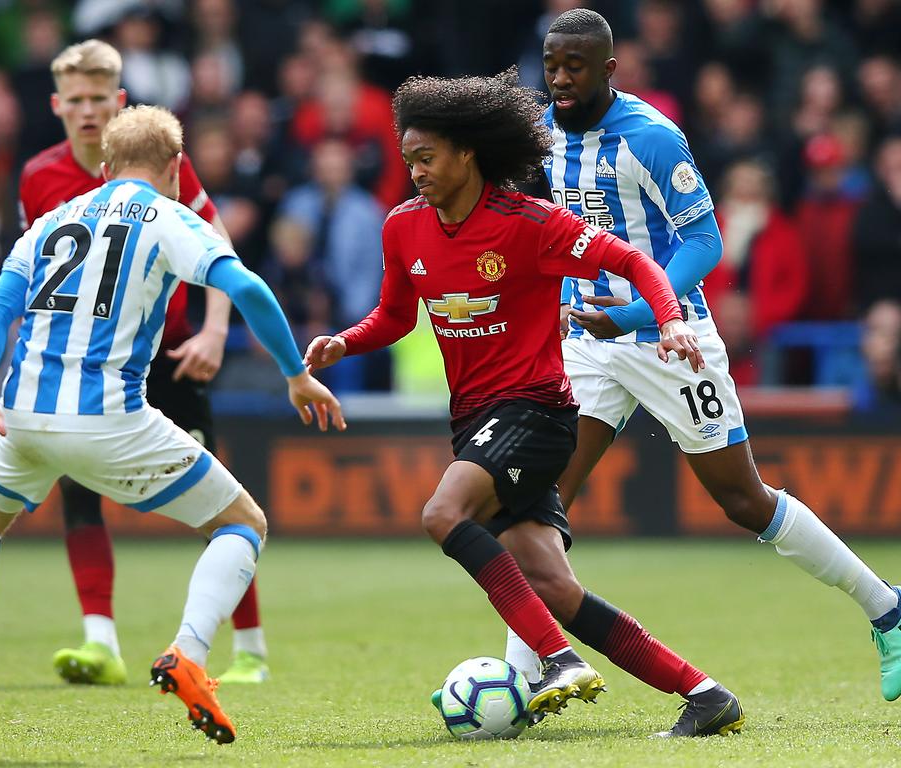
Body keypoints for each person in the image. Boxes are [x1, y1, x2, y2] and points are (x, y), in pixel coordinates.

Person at [0, 104, 345, 743]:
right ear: (177, 168)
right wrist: (296, 373)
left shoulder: (54, 218)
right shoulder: (170, 215)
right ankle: (188, 654)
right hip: (110, 419)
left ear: (104, 168)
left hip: (20, 416)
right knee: (242, 524)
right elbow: (251, 290)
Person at [303, 68, 739, 735]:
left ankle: (558, 660)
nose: (414, 171)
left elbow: (637, 263)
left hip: (536, 414)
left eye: (427, 158)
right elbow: (394, 317)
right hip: (476, 423)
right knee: (553, 585)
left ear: (467, 154)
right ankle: (706, 697)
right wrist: (344, 342)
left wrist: (670, 319)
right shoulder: (403, 229)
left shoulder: (532, 224)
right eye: (408, 159)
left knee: (442, 513)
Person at [503, 7, 901, 714]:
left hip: (667, 337)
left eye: (575, 66)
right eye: (552, 64)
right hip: (587, 344)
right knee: (541, 496)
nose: (560, 78)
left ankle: (887, 610)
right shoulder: (541, 131)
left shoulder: (652, 137)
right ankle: (532, 667)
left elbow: (705, 245)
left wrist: (634, 312)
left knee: (742, 499)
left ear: (609, 69)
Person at [19, 39, 271, 687]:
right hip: (86, 364)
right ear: (56, 105)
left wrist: (215, 333)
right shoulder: (38, 178)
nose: (86, 111)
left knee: (218, 501)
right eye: (74, 100)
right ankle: (100, 643)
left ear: (119, 100)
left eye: (98, 99)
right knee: (77, 494)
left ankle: (249, 649)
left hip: (170, 358)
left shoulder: (160, 166)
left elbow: (221, 249)